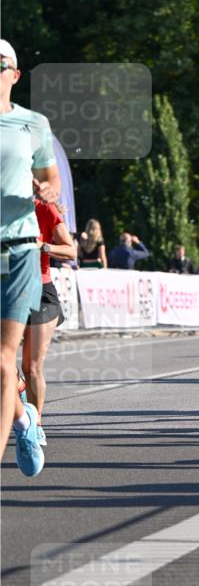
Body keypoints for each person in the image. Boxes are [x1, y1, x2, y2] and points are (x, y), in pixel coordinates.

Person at [0, 38, 60, 476]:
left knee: (7, 359)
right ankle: (23, 419)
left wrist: (47, 191)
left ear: (14, 75)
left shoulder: (33, 125)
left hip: (20, 251)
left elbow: (52, 182)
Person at [23, 200, 77, 445]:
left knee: (32, 365)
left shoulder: (44, 210)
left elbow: (71, 250)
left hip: (41, 291)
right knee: (8, 365)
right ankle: (18, 388)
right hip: (8, 291)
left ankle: (36, 426)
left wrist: (42, 246)